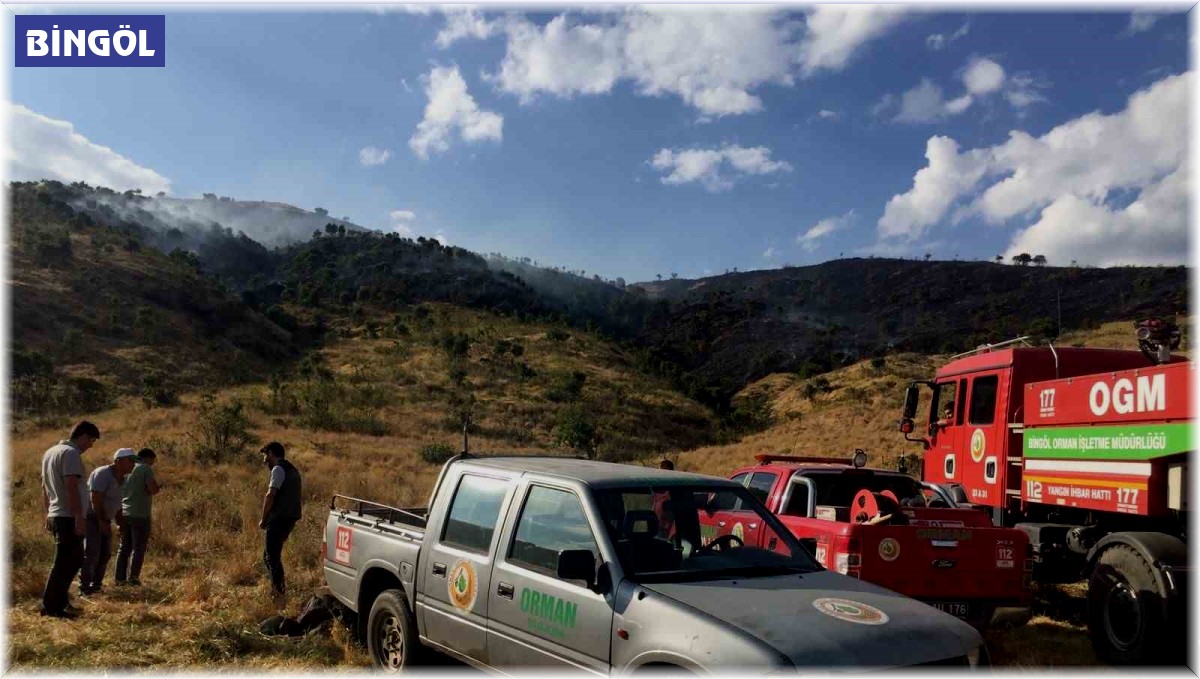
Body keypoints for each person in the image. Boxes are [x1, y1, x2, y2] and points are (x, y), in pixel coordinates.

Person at [40, 420, 101, 618]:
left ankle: (60, 602)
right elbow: (71, 486)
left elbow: (44, 488)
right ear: (83, 435)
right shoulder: (71, 453)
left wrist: (47, 513)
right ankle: (51, 607)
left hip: (58, 514)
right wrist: (78, 517)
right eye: (91, 441)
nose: (90, 446)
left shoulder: (50, 452)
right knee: (64, 562)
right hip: (68, 516)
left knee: (72, 561)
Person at [80, 448, 137, 595]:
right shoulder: (102, 474)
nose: (133, 464)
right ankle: (84, 588)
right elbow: (95, 498)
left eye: (134, 461)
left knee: (105, 554)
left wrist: (120, 524)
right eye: (130, 461)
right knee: (92, 553)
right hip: (93, 518)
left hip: (105, 519)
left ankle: (96, 586)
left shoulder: (123, 479)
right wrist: (101, 521)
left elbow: (118, 504)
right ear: (118, 461)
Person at [259, 442, 302, 608]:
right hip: (290, 518)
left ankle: (278, 594)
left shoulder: (278, 469)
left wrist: (263, 519)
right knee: (271, 555)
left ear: (271, 453)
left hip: (279, 519)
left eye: (265, 456)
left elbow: (270, 495)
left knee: (271, 556)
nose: (264, 461)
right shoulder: (292, 469)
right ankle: (277, 591)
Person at [116, 448, 161, 586]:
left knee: (124, 547)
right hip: (140, 514)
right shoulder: (145, 469)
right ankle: (133, 578)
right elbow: (152, 489)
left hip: (124, 512)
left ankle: (119, 579)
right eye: (152, 461)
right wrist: (157, 488)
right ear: (148, 458)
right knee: (138, 547)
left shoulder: (126, 469)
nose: (152, 464)